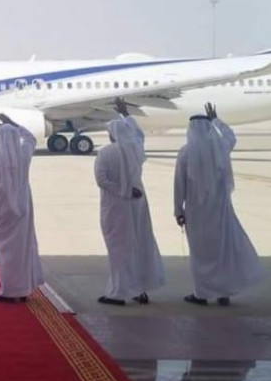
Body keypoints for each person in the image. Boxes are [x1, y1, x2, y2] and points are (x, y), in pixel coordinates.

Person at [174, 102, 264, 306]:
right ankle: (223, 293)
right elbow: (231, 136)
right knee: (222, 251)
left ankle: (202, 294)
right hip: (221, 211)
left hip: (197, 213)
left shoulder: (185, 153)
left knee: (200, 254)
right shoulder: (221, 148)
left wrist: (178, 210)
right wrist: (216, 119)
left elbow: (179, 186)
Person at [94, 98, 164, 306]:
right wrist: (127, 115)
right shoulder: (136, 149)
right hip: (138, 203)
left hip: (116, 206)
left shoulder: (105, 152)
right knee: (139, 244)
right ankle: (139, 290)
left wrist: (123, 192)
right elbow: (139, 135)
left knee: (119, 248)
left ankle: (118, 293)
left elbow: (102, 180)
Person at [0, 113, 44, 303]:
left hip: (2, 213)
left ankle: (8, 291)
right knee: (22, 251)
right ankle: (23, 289)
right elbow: (31, 138)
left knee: (5, 253)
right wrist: (13, 123)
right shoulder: (23, 156)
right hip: (23, 212)